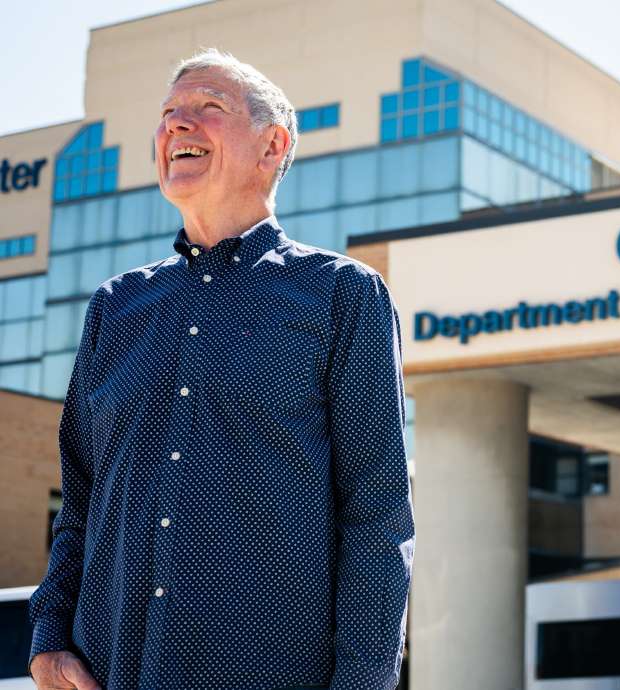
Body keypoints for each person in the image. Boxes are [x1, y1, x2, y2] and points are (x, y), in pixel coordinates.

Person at [27, 48, 415, 690]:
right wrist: (49, 642)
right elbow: (80, 503)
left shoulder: (344, 296)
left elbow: (376, 517)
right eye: (168, 113)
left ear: (271, 146)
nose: (178, 124)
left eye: (209, 108)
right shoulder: (116, 307)